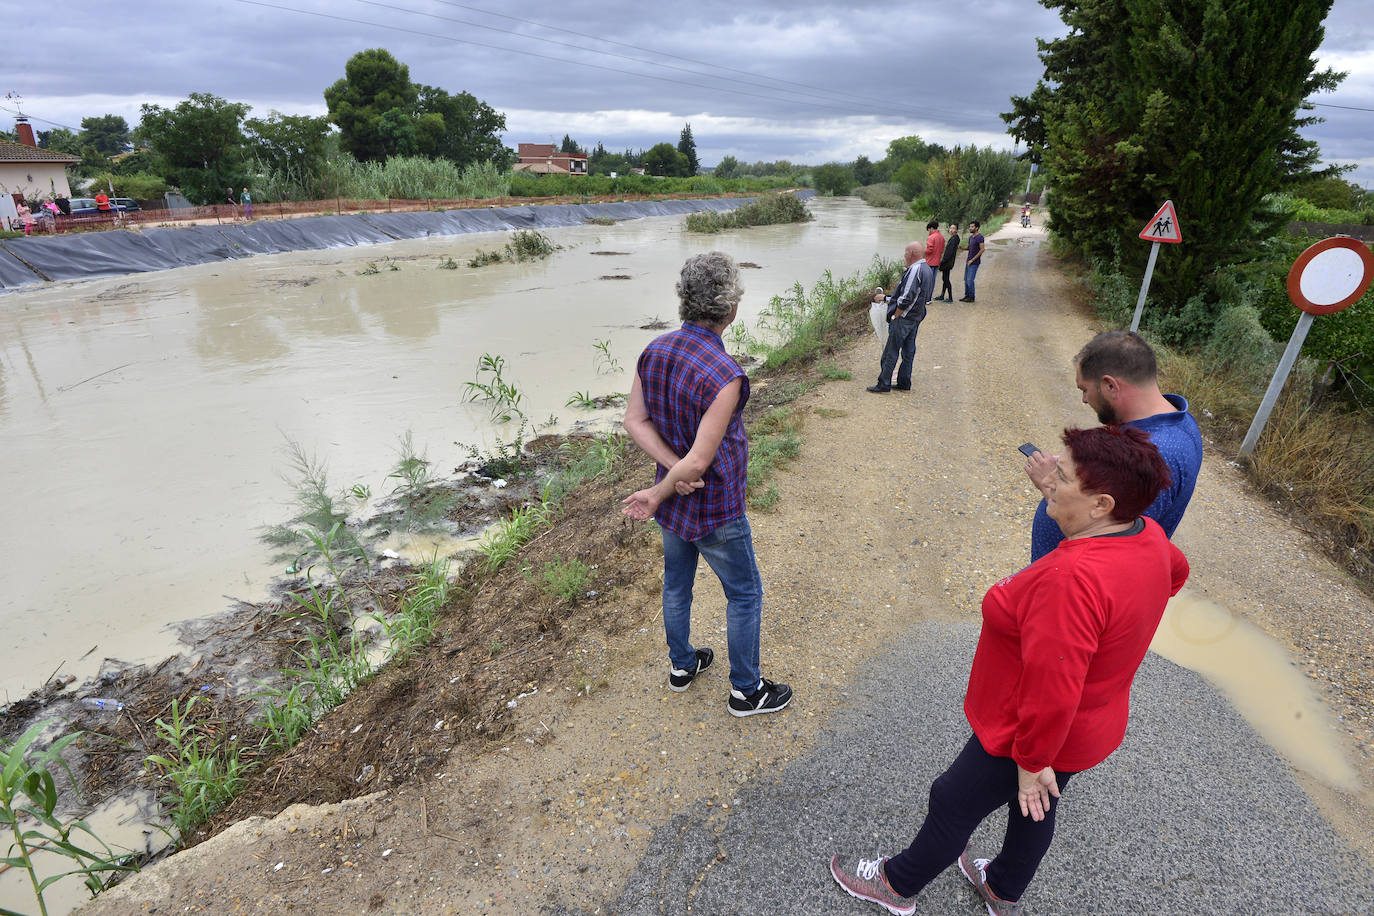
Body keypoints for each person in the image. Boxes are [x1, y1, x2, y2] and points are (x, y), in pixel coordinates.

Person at [830, 424, 1189, 916]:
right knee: (1037, 804)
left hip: (1030, 727)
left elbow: (1052, 688)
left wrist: (1031, 759)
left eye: (1062, 478)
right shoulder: (1146, 535)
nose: (1050, 485)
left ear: (1102, 505)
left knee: (954, 800)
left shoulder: (1073, 579)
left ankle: (896, 885)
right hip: (1092, 725)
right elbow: (1175, 572)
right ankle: (1002, 888)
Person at [621, 251, 793, 718]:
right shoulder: (726, 375)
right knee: (743, 593)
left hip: (675, 508)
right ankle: (746, 691)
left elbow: (634, 420)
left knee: (677, 585)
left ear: (684, 300)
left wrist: (666, 475)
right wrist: (666, 486)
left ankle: (682, 666)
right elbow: (699, 464)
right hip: (714, 505)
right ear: (730, 308)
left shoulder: (654, 350)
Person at [1027, 330, 1202, 561]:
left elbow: (1106, 543)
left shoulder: (1156, 452)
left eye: (1084, 389)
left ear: (1110, 386)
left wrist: (1049, 487)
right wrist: (1074, 473)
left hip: (1075, 587)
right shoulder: (1178, 421)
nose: (1084, 400)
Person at [867, 241, 934, 393]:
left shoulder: (915, 270)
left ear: (911, 254)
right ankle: (904, 382)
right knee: (908, 352)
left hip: (904, 318)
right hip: (915, 318)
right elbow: (919, 296)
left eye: (905, 254)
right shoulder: (927, 269)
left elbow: (906, 298)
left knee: (891, 352)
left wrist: (895, 316)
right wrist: (886, 298)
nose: (903, 257)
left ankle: (883, 384)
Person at [959, 220, 983, 302]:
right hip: (968, 261)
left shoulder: (980, 237)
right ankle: (967, 295)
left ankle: (971, 297)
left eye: (972, 227)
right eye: (970, 226)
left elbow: (982, 250)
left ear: (977, 228)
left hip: (974, 262)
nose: (970, 228)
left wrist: (973, 259)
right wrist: (962, 248)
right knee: (966, 279)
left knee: (970, 279)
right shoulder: (971, 237)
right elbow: (969, 248)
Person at [936, 222, 960, 302]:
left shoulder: (954, 239)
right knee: (945, 279)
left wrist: (942, 262)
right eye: (950, 228)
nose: (951, 230)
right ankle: (942, 295)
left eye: (953, 228)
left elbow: (949, 253)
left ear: (956, 230)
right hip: (949, 262)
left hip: (948, 262)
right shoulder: (954, 238)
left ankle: (950, 298)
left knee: (946, 279)